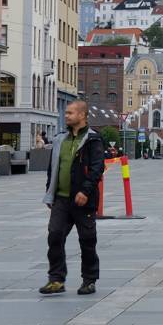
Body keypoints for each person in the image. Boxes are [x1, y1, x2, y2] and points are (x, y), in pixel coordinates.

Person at [40, 101, 106, 295]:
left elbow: (97, 169)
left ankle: (89, 280)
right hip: (61, 199)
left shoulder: (93, 139)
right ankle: (56, 279)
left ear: (82, 115)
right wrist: (49, 193)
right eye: (66, 113)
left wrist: (85, 192)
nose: (66, 116)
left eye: (70, 113)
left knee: (87, 240)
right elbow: (53, 167)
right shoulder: (61, 139)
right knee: (55, 236)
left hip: (83, 200)